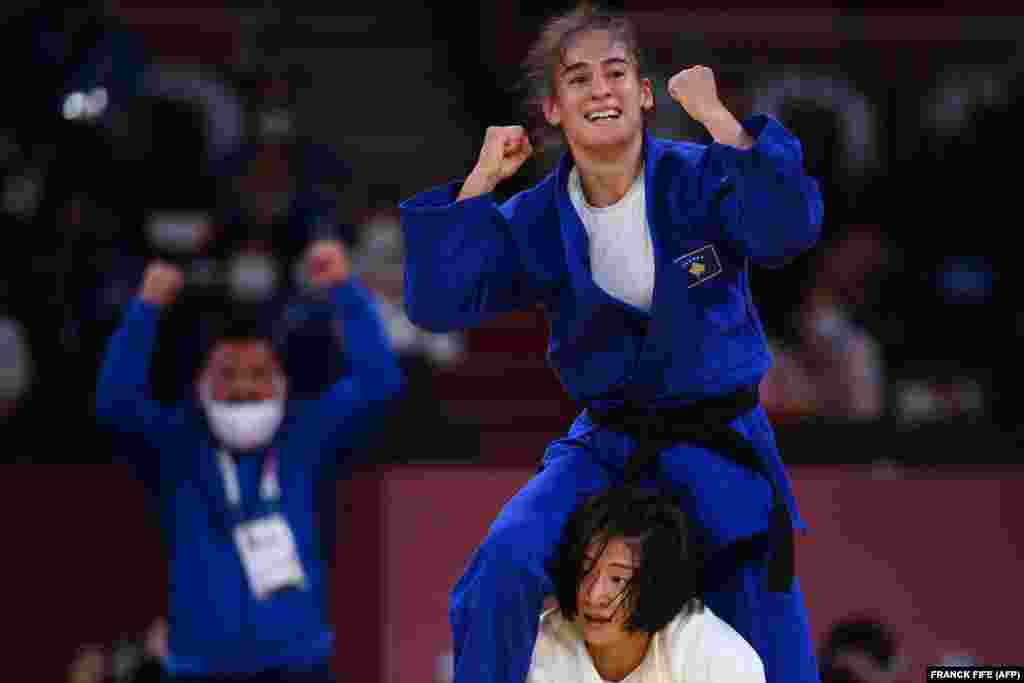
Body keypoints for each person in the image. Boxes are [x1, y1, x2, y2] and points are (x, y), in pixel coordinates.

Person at [398, 6, 823, 683]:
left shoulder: (702, 178)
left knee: (775, 648)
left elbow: (788, 229)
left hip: (720, 442)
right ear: (553, 109)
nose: (601, 89)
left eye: (617, 73)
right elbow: (437, 302)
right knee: (503, 565)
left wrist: (720, 119)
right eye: (578, 79)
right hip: (608, 443)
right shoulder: (538, 218)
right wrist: (480, 181)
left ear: (646, 94)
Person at [94, 238, 403, 682]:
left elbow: (380, 385)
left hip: (300, 666)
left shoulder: (308, 431)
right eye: (228, 374)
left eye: (258, 375)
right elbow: (114, 404)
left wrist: (344, 290)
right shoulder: (176, 441)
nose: (243, 387)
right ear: (201, 383)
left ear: (281, 383)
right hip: (199, 670)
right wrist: (146, 309)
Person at [528, 484, 765, 683]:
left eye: (618, 579)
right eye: (585, 569)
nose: (593, 595)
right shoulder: (536, 651)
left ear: (657, 586)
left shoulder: (717, 658)